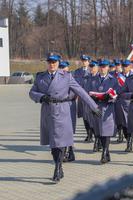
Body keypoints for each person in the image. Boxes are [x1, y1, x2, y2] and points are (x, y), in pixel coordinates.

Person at [29, 53, 101, 183]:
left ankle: (57, 168)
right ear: (47, 62)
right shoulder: (40, 77)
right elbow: (32, 92)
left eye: (54, 62)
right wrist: (41, 97)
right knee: (53, 144)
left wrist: (94, 107)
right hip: (48, 111)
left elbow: (81, 91)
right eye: (50, 61)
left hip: (62, 111)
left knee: (60, 142)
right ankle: (59, 164)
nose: (52, 64)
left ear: (58, 63)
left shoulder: (66, 76)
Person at [88, 59, 119, 164]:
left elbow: (116, 95)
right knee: (99, 132)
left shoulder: (113, 80)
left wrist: (109, 97)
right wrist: (93, 102)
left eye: (105, 66)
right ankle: (107, 153)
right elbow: (87, 93)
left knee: (106, 131)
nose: (103, 68)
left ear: (108, 68)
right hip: (96, 107)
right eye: (101, 66)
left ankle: (104, 153)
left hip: (108, 108)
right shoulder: (92, 79)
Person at [114, 59, 133, 152]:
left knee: (129, 124)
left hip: (130, 103)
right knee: (123, 124)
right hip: (120, 103)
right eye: (124, 66)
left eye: (127, 66)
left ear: (130, 66)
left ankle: (129, 143)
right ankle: (127, 139)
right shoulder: (118, 76)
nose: (125, 68)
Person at [58, 61, 77, 162]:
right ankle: (66, 152)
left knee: (69, 130)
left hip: (70, 104)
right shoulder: (58, 78)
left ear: (68, 68)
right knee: (62, 130)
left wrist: (64, 97)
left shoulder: (71, 77)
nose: (63, 69)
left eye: (65, 67)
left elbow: (74, 92)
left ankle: (70, 151)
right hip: (61, 106)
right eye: (61, 67)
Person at [73, 55, 93, 143]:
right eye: (83, 60)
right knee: (84, 117)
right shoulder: (77, 72)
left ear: (89, 61)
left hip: (90, 97)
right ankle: (88, 134)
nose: (84, 62)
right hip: (81, 98)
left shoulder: (92, 70)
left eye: (86, 60)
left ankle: (93, 133)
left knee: (91, 116)